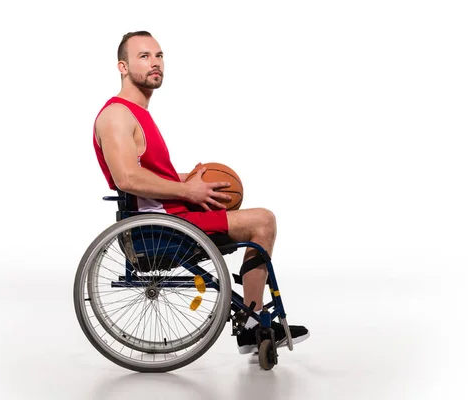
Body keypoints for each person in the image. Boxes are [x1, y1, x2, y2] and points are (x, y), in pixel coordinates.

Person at [92, 30, 309, 355]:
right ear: (122, 67)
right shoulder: (116, 115)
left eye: (159, 55)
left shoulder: (138, 114)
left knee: (239, 204)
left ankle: (252, 322)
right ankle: (253, 324)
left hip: (166, 218)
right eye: (144, 56)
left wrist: (189, 178)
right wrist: (187, 190)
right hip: (157, 229)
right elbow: (127, 178)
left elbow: (146, 174)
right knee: (262, 222)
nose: (155, 63)